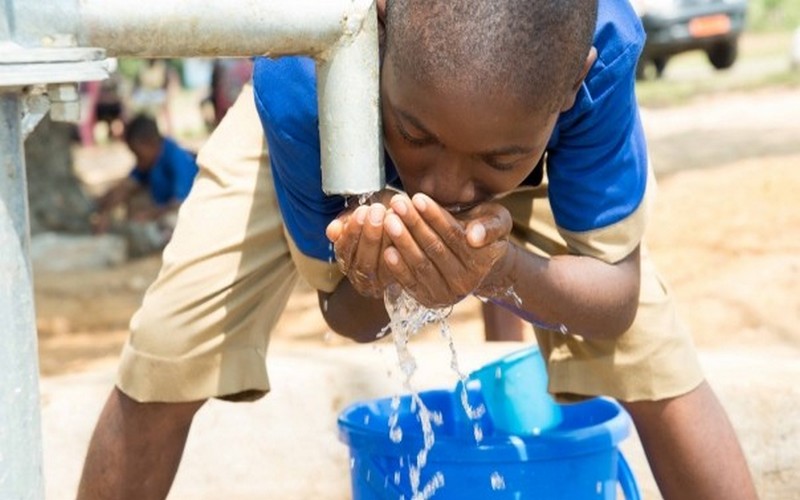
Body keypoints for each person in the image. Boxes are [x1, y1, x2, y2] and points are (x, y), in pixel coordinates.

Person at [77, 1, 757, 499]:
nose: (443, 190)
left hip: (515, 126)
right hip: (332, 114)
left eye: (494, 159)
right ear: (378, 22)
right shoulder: (302, 61)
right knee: (169, 350)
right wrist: (378, 279)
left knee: (653, 360)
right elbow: (346, 317)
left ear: (573, 83)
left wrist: (507, 272)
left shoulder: (597, 50)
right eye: (419, 137)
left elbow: (615, 302)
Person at [93, 114, 198, 256]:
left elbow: (181, 202)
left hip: (189, 211)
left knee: (172, 223)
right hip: (162, 208)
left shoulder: (177, 158)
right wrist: (104, 210)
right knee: (134, 199)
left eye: (138, 154)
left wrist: (150, 215)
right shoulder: (149, 162)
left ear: (149, 144)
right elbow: (127, 186)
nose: (137, 160)